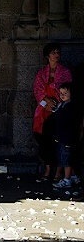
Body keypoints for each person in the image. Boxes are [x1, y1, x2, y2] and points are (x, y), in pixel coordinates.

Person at [33, 42, 72, 181]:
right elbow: (38, 91)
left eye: (58, 53)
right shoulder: (42, 73)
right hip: (43, 111)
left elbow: (66, 90)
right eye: (53, 53)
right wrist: (45, 103)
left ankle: (59, 171)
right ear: (47, 56)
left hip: (59, 110)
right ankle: (48, 167)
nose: (56, 55)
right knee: (44, 140)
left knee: (59, 141)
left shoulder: (65, 72)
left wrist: (55, 102)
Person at [50, 82, 83, 191]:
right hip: (62, 137)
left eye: (65, 93)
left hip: (68, 138)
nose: (62, 95)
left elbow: (71, 124)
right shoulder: (62, 105)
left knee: (66, 160)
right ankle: (73, 176)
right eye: (61, 93)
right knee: (64, 158)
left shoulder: (72, 107)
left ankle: (67, 179)